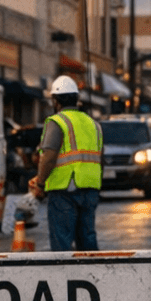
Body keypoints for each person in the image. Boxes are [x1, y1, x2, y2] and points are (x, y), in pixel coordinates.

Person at [28, 75, 104, 251]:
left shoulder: (57, 122)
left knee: (62, 243)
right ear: (77, 99)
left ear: (55, 101)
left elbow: (48, 156)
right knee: (87, 241)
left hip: (64, 191)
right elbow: (99, 158)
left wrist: (40, 182)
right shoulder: (94, 124)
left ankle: (65, 278)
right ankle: (94, 275)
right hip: (90, 188)